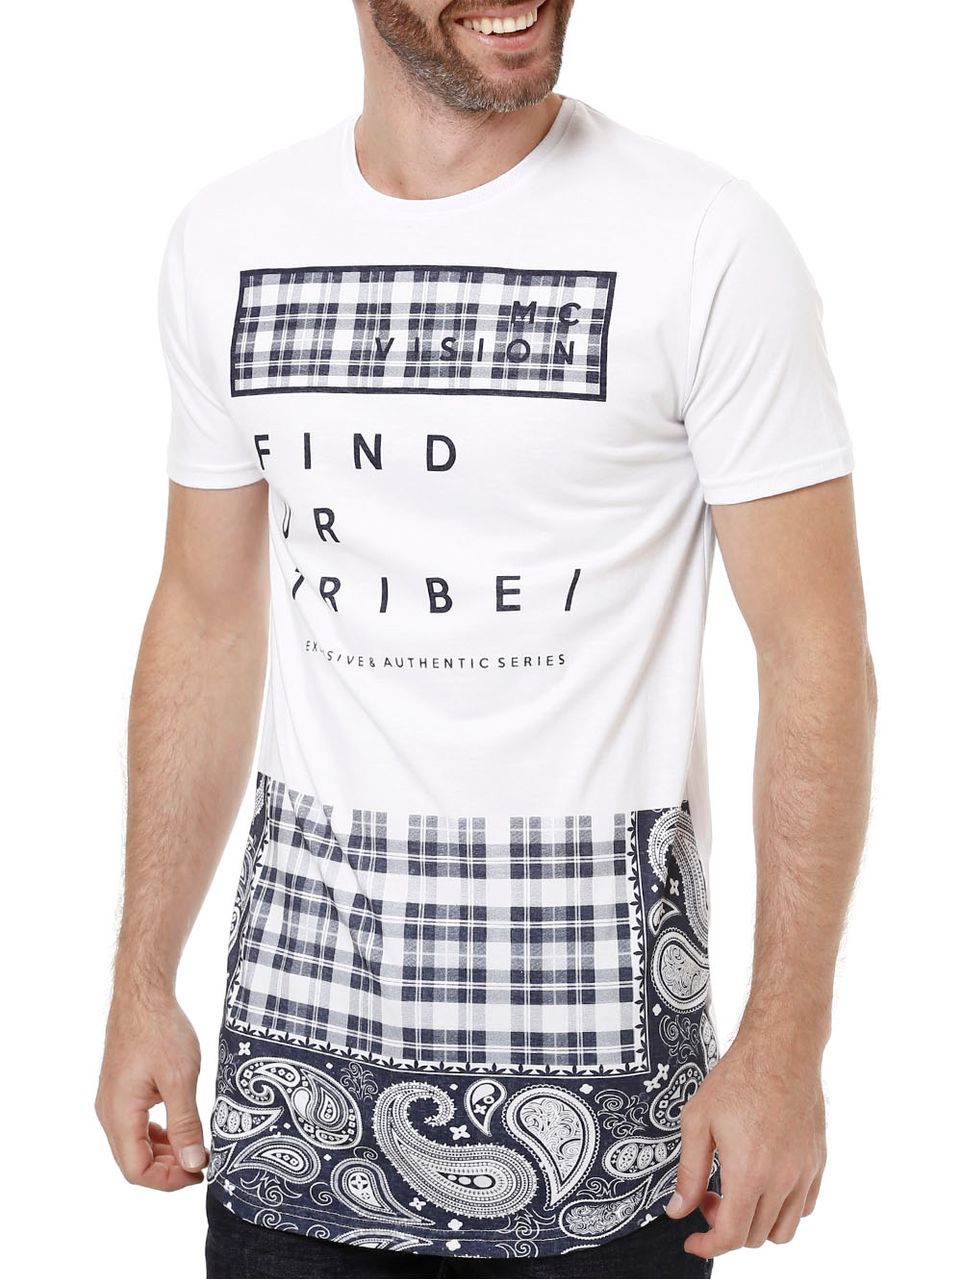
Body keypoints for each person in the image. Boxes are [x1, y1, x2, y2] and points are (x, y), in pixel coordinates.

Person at [94, 2, 877, 1277]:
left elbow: (813, 647)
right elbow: (205, 611)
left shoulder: (702, 240)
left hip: (618, 1133)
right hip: (293, 1108)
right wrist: (141, 978)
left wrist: (784, 1043)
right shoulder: (230, 241)